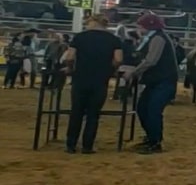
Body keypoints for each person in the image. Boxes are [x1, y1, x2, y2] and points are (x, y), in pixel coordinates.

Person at [60, 14, 123, 154]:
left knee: (76, 112)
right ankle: (87, 146)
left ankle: (70, 145)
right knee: (93, 114)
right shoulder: (114, 39)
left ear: (93, 22)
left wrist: (70, 68)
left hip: (80, 77)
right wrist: (110, 69)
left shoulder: (80, 37)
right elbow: (118, 59)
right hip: (101, 79)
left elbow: (70, 57)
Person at [123, 12, 178, 154]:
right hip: (156, 81)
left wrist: (134, 72)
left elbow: (151, 60)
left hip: (163, 81)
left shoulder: (157, 38)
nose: (138, 28)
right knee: (143, 108)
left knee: (153, 110)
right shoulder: (152, 37)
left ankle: (155, 142)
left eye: (140, 25)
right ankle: (151, 137)